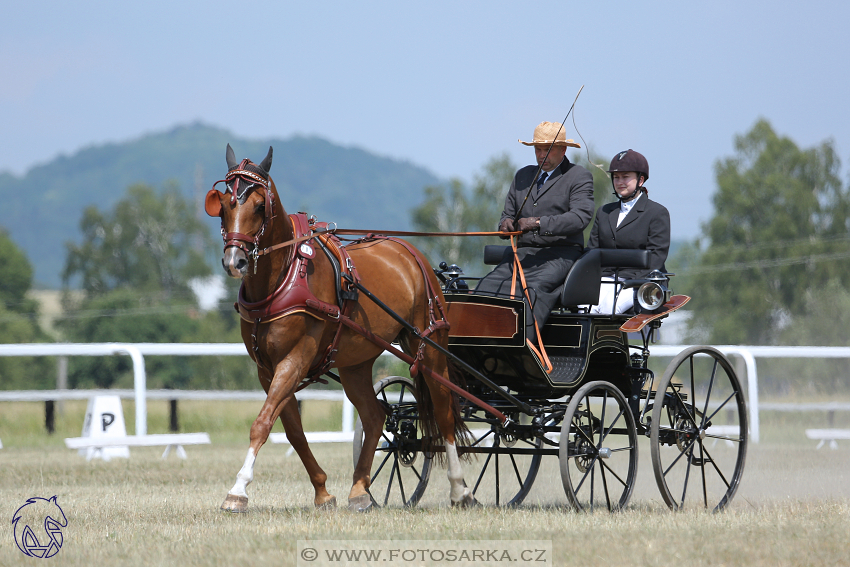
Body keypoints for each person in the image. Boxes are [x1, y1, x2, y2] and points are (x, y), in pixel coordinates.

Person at [476, 121, 594, 340]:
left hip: (559, 256)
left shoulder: (578, 176)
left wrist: (538, 223)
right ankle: (476, 346)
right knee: (485, 288)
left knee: (531, 291)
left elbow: (580, 218)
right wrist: (506, 225)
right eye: (538, 150)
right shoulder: (523, 176)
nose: (541, 155)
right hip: (521, 255)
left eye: (548, 150)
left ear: (563, 150)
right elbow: (507, 215)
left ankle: (522, 347)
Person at [587, 149, 670, 314]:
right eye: (616, 177)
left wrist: (628, 282)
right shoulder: (604, 212)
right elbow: (592, 251)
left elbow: (656, 256)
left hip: (639, 281)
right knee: (585, 307)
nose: (619, 182)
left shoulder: (656, 213)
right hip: (605, 279)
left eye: (625, 177)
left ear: (640, 180)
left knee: (607, 309)